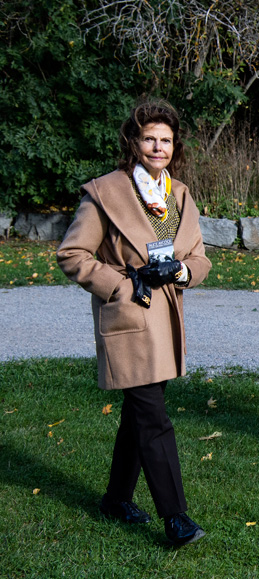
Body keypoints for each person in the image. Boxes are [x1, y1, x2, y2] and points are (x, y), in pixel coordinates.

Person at [57, 100, 211, 545]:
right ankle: (176, 517)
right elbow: (72, 254)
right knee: (154, 418)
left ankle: (115, 499)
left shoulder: (179, 193)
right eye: (149, 139)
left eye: (165, 140)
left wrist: (181, 272)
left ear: (174, 146)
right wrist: (121, 286)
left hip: (166, 321)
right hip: (128, 317)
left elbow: (199, 259)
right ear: (133, 142)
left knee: (140, 414)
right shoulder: (105, 193)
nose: (157, 147)